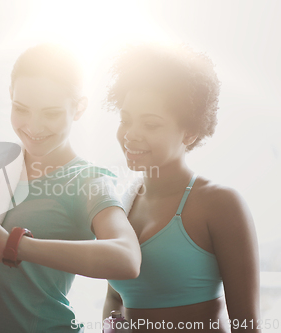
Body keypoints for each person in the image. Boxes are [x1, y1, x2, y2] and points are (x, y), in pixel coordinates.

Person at [0, 44, 142, 333]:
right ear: (10, 97)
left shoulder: (87, 180)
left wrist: (19, 246)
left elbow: (127, 259)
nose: (34, 125)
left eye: (51, 113)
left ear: (78, 108)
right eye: (21, 109)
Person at [103, 44, 261, 332]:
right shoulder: (123, 201)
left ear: (190, 132)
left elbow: (246, 326)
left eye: (150, 124)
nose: (130, 134)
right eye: (126, 119)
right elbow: (115, 298)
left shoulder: (220, 204)